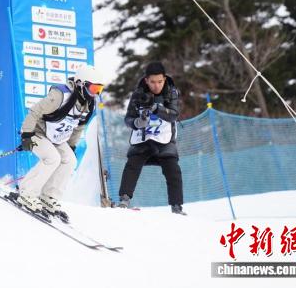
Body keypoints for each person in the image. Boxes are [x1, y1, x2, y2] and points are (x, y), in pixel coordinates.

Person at [18, 65, 106, 221]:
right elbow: (35, 111)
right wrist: (26, 135)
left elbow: (78, 127)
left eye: (99, 89)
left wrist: (71, 146)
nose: (95, 93)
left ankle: (48, 196)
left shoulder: (88, 104)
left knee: (70, 160)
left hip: (56, 138)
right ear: (80, 84)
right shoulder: (60, 95)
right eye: (93, 88)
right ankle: (27, 193)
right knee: (52, 158)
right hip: (37, 132)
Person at [117, 61, 185, 214]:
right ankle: (124, 201)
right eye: (153, 82)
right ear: (146, 80)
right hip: (143, 138)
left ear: (164, 79)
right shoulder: (137, 94)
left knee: (173, 170)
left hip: (164, 140)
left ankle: (177, 207)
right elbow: (128, 118)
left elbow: (174, 115)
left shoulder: (171, 92)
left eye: (160, 81)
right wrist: (136, 122)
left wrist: (156, 108)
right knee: (132, 164)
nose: (156, 85)